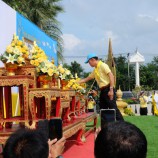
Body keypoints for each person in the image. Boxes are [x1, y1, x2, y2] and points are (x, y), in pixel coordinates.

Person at [78, 53, 124, 121]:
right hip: (103, 91)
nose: (89, 64)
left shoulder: (103, 65)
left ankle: (123, 126)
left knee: (113, 108)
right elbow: (87, 79)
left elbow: (111, 76)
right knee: (102, 109)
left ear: (93, 60)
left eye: (89, 62)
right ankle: (105, 127)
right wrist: (75, 82)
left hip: (108, 89)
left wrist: (111, 90)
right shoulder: (96, 69)